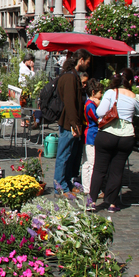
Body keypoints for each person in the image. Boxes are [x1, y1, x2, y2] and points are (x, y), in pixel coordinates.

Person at [89, 68, 139, 213]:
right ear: (130, 81)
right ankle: (112, 204)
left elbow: (99, 112)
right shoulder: (134, 97)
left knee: (99, 169)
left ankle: (92, 202)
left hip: (107, 134)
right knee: (117, 171)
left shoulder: (111, 93)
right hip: (126, 137)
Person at [53, 48, 92, 195]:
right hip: (69, 123)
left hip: (72, 123)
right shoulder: (70, 77)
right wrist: (74, 124)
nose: (87, 66)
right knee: (64, 155)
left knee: (70, 155)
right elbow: (70, 103)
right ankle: (60, 185)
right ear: (80, 60)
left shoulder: (73, 75)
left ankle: (67, 183)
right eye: (87, 62)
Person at [82, 78, 102, 195]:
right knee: (92, 162)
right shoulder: (91, 105)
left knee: (86, 163)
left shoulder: (88, 103)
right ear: (94, 93)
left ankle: (86, 186)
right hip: (91, 134)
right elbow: (97, 118)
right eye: (100, 93)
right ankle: (91, 188)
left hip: (88, 133)